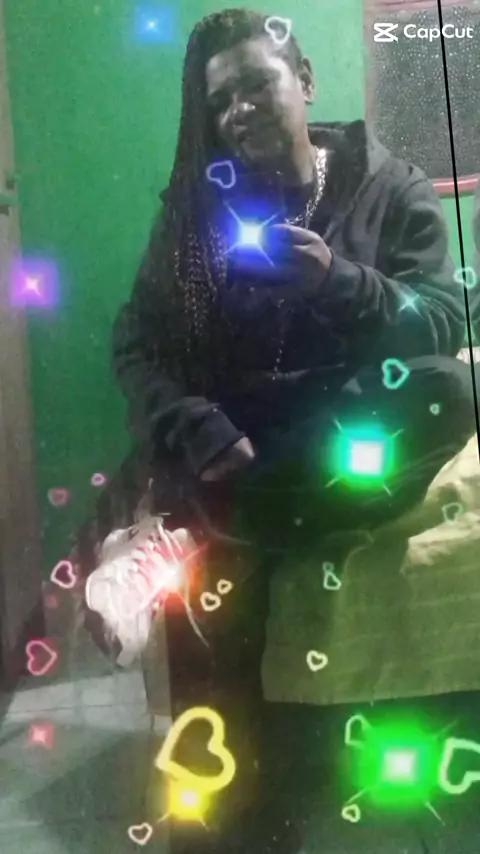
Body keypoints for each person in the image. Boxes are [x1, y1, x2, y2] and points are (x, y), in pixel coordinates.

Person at [111, 9, 476, 852]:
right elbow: (137, 344)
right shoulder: (194, 212)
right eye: (219, 100)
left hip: (340, 423)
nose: (238, 109)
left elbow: (444, 318)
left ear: (304, 83)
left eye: (256, 84)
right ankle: (245, 805)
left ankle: (220, 523)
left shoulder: (391, 187)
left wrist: (338, 280)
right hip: (240, 425)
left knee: (452, 389)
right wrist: (191, 422)